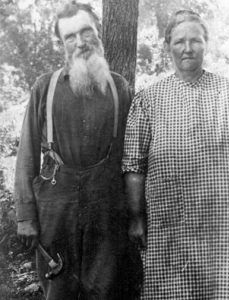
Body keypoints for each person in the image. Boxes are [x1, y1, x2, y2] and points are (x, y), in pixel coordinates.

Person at [122, 9, 229, 300]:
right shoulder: (148, 100)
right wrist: (136, 217)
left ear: (206, 44)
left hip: (226, 224)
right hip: (171, 221)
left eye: (196, 40)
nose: (188, 48)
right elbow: (134, 165)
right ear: (167, 45)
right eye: (180, 41)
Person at [14, 2, 141, 299]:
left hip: (107, 213)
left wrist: (135, 215)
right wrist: (25, 217)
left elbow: (132, 158)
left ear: (99, 33)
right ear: (62, 44)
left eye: (86, 32)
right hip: (56, 211)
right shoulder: (44, 88)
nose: (80, 42)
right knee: (59, 291)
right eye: (70, 36)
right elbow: (27, 156)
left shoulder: (119, 89)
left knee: (108, 292)